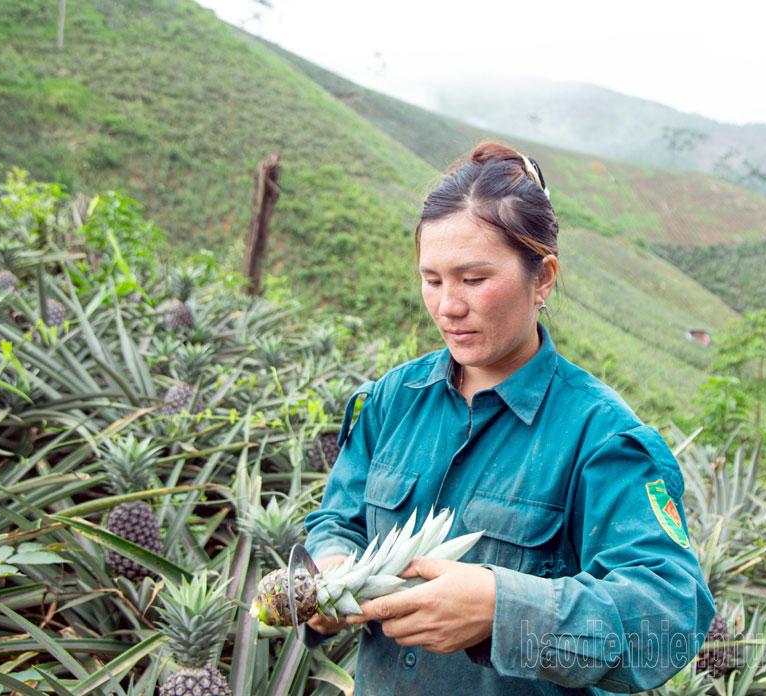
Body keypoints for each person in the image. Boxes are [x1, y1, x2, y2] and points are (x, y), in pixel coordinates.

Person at [303, 142, 715, 695]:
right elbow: (340, 519)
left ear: (541, 278)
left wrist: (503, 611)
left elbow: (670, 617)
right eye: (433, 280)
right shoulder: (392, 400)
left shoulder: (602, 436)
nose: (448, 305)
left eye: (473, 279)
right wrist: (330, 571)